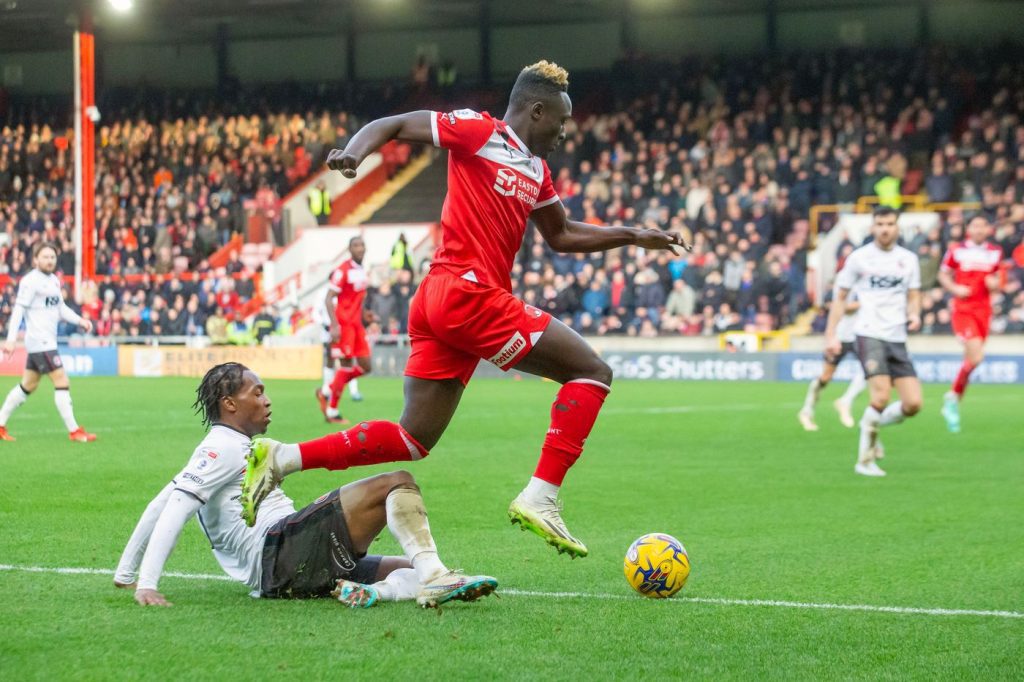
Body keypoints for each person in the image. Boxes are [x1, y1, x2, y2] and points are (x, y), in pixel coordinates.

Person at [241, 60, 686, 558]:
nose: (565, 132)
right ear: (536, 111)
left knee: (414, 438)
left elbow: (561, 234)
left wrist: (634, 235)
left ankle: (282, 457)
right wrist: (354, 153)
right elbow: (394, 123)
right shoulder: (479, 131)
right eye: (561, 121)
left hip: (443, 302)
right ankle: (541, 497)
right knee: (592, 372)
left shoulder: (536, 170)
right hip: (467, 295)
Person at [113, 362, 496, 609]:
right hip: (277, 550)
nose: (267, 401)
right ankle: (436, 578)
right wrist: (147, 583)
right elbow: (176, 508)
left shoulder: (225, 447)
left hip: (285, 565)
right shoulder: (222, 447)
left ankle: (377, 591)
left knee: (408, 566)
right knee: (396, 482)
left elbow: (157, 505)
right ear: (229, 404)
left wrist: (126, 573)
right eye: (257, 393)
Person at [826, 206, 922, 477]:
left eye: (889, 224)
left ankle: (870, 423)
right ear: (872, 227)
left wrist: (914, 313)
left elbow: (914, 294)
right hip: (869, 332)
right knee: (880, 397)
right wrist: (831, 335)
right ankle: (864, 461)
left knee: (913, 404)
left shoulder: (908, 260)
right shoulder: (859, 258)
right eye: (880, 224)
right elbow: (840, 298)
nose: (885, 229)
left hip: (897, 336)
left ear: (897, 227)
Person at [0, 242, 95, 442]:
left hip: (44, 342)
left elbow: (61, 309)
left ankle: (0, 425)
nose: (50, 260)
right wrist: (10, 340)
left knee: (28, 385)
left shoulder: (53, 281)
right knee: (62, 381)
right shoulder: (30, 281)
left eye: (52, 257)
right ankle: (74, 431)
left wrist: (80, 321)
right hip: (40, 341)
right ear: (36, 259)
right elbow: (18, 310)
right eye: (45, 257)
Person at [936, 215, 1002, 433]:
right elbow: (943, 275)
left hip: (984, 311)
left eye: (983, 225)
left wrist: (994, 284)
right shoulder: (957, 250)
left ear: (988, 229)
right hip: (963, 310)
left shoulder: (994, 252)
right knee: (976, 357)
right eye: (975, 225)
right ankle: (952, 397)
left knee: (972, 360)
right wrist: (955, 289)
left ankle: (953, 399)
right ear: (968, 229)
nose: (979, 229)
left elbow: (997, 280)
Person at [317, 236, 371, 424]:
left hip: (357, 325)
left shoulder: (362, 270)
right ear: (350, 249)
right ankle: (332, 411)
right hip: (345, 325)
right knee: (346, 366)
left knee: (366, 367)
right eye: (356, 245)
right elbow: (328, 298)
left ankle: (326, 390)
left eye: (362, 245)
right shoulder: (342, 270)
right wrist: (334, 325)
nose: (360, 248)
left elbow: (358, 298)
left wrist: (365, 314)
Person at [798, 288, 866, 431]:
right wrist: (862, 303)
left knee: (869, 371)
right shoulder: (840, 287)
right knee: (825, 377)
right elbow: (834, 306)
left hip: (860, 336)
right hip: (839, 337)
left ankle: (845, 401)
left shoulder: (865, 286)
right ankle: (807, 411)